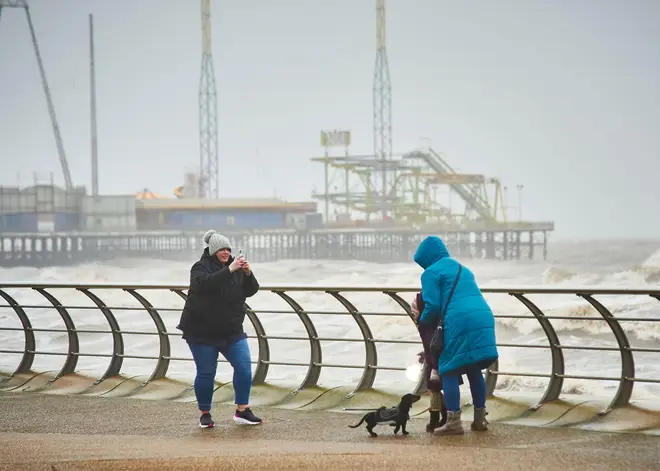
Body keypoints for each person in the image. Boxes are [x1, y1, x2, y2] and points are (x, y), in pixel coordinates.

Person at [413, 235, 498, 435]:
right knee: (474, 368)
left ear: (426, 258)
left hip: (459, 321)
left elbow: (433, 306)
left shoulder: (431, 273)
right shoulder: (463, 268)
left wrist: (422, 321)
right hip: (483, 317)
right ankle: (480, 419)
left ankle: (453, 422)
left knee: (449, 369)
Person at [177, 230, 261, 428]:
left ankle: (242, 410)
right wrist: (230, 269)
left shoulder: (235, 267)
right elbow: (204, 285)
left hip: (231, 329)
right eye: (222, 249)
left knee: (244, 368)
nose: (226, 252)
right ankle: (205, 413)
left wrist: (248, 273)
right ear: (213, 250)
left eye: (228, 249)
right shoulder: (200, 267)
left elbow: (251, 290)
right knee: (206, 373)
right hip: (201, 331)